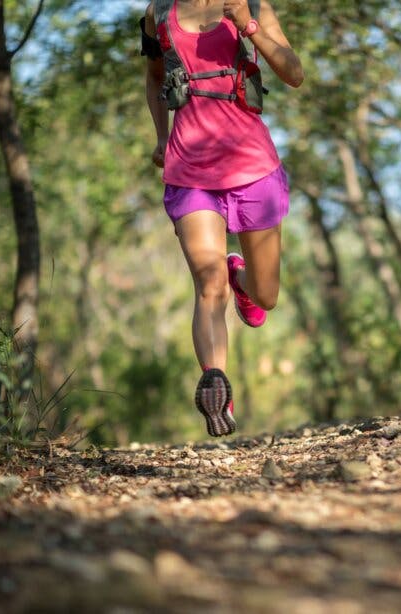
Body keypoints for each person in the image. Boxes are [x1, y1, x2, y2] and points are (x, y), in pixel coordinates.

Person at [142, 0, 303, 437]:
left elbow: (294, 73)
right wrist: (160, 135)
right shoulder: (158, 13)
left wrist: (249, 27)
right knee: (207, 283)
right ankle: (216, 381)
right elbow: (155, 77)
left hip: (253, 166)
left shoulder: (253, 5)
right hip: (190, 167)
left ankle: (242, 278)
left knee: (266, 296)